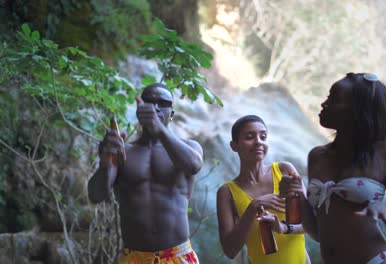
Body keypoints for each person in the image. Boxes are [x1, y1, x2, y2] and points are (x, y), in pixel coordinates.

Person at [282, 73, 386, 264]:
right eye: (328, 97)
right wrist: (297, 195)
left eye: (334, 98)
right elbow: (318, 232)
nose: (324, 104)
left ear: (358, 110)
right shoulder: (316, 156)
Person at [88, 83, 203, 264]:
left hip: (177, 256)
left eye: (163, 103)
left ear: (171, 114)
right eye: (149, 102)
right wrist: (105, 162)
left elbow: (194, 165)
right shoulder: (123, 152)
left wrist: (160, 129)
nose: (155, 108)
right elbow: (95, 195)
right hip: (134, 257)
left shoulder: (190, 147)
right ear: (139, 110)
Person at [216, 115, 311, 264]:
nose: (258, 142)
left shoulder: (285, 171)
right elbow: (230, 251)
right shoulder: (227, 192)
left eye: (263, 136)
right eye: (249, 137)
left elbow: (311, 224)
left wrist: (283, 228)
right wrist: (253, 207)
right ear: (234, 145)